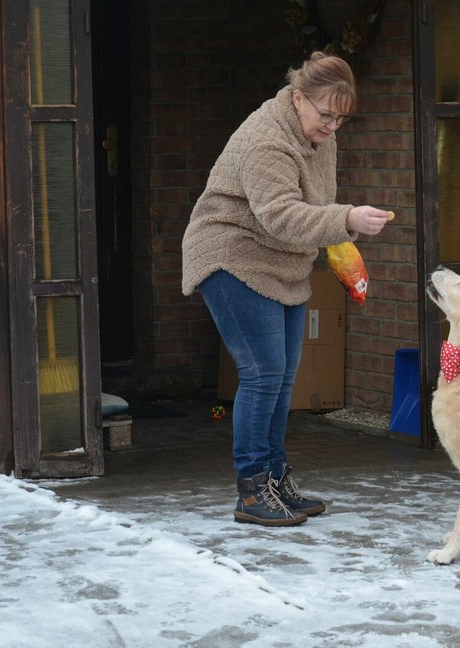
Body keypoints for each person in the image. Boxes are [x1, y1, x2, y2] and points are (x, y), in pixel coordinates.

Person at [181, 52, 391, 527]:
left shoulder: (317, 137)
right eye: (325, 114)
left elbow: (310, 206)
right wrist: (347, 219)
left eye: (341, 117)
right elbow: (280, 214)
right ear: (298, 99)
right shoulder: (266, 141)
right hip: (231, 256)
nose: (333, 125)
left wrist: (339, 242)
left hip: (281, 261)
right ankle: (253, 490)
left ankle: (275, 479)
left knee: (283, 375)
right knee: (262, 373)